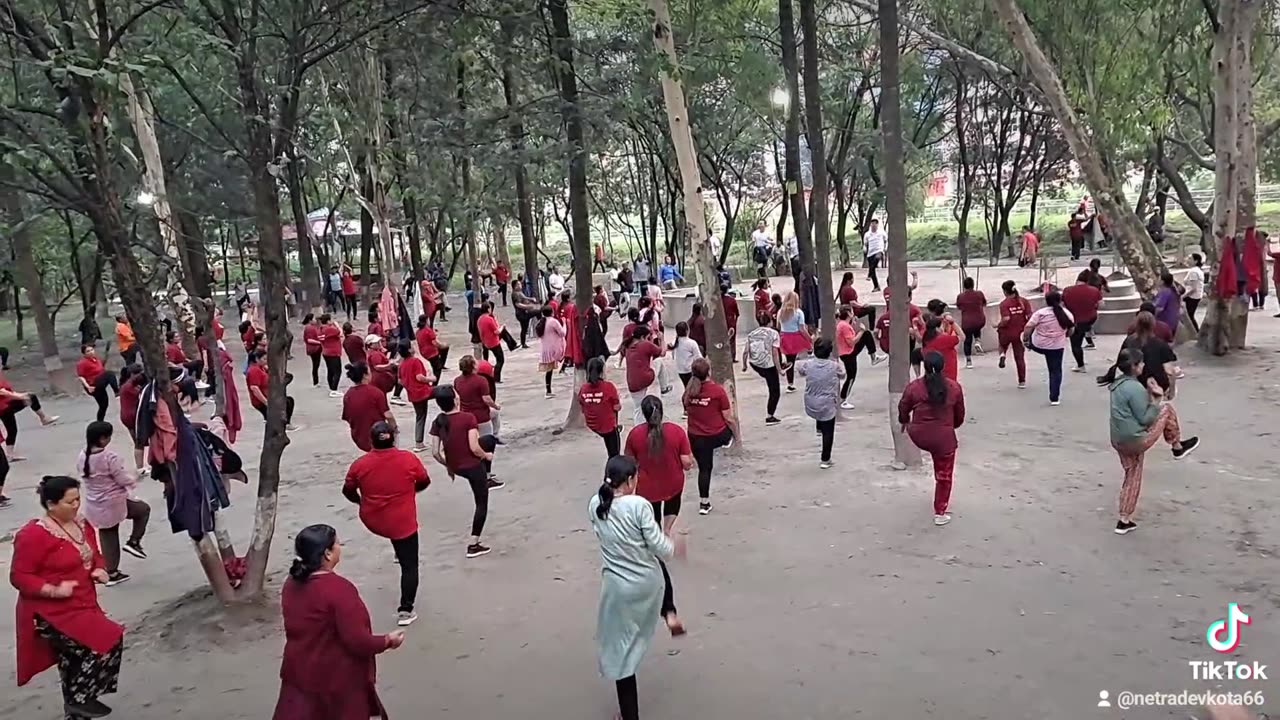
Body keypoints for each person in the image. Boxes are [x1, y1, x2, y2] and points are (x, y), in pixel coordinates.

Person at [11, 475, 125, 719]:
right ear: (52, 504)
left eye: (78, 499)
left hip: (83, 602)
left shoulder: (82, 524)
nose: (76, 505)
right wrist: (52, 589)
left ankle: (77, 709)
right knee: (104, 642)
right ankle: (80, 699)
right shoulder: (33, 534)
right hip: (50, 611)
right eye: (69, 502)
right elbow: (19, 576)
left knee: (72, 662)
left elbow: (95, 554)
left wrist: (100, 569)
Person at [273, 524, 404, 720]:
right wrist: (387, 640)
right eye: (337, 544)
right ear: (327, 553)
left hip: (299, 673)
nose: (340, 547)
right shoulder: (339, 590)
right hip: (336, 678)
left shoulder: (291, 584)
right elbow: (358, 641)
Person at [589, 454, 685, 720]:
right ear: (630, 480)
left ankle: (629, 715)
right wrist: (674, 544)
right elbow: (660, 549)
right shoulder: (639, 505)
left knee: (622, 654)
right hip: (647, 583)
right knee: (659, 569)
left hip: (618, 587)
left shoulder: (595, 504)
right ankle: (669, 612)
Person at [343, 422, 430, 626]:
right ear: (394, 438)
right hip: (402, 522)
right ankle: (405, 610)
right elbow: (425, 481)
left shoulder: (360, 465)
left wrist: (361, 502)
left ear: (371, 441)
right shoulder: (408, 459)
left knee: (397, 537)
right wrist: (410, 491)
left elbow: (347, 490)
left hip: (373, 519)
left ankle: (398, 554)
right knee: (410, 565)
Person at [1108, 348, 1200, 535]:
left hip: (1119, 439)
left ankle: (1124, 519)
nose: (1143, 365)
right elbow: (1146, 418)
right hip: (1135, 438)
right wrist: (1156, 398)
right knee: (1166, 409)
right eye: (1141, 363)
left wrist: (1149, 397)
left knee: (1132, 475)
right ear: (1134, 367)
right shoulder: (1134, 388)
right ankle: (1176, 445)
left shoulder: (1117, 384)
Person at [77, 421, 150, 585]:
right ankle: (134, 541)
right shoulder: (109, 457)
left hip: (95, 503)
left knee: (107, 533)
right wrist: (136, 478)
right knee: (143, 510)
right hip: (113, 501)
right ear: (102, 439)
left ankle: (111, 571)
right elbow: (122, 479)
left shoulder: (83, 456)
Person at [898, 352, 967, 526]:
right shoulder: (954, 388)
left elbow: (903, 406)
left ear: (924, 366)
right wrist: (950, 427)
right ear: (943, 367)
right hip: (943, 438)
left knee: (937, 449)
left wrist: (904, 421)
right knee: (944, 474)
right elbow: (959, 417)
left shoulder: (914, 387)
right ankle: (940, 511)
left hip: (919, 434)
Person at [430, 387, 496, 558]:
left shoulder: (438, 421)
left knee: (489, 440)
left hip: (456, 466)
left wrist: (448, 465)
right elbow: (474, 448)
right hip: (472, 465)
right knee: (481, 503)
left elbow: (435, 452)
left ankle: (488, 470)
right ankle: (474, 544)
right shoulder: (467, 418)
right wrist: (486, 456)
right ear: (455, 400)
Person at [624, 396, 692, 537]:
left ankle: (655, 535)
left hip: (647, 486)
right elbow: (686, 463)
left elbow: (629, 462)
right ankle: (666, 530)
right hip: (673, 482)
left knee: (652, 514)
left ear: (643, 413)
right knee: (672, 505)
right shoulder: (677, 431)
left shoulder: (634, 435)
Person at [682, 358, 736, 515]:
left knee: (704, 469)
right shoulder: (718, 391)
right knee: (728, 431)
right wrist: (736, 433)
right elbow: (728, 417)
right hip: (715, 435)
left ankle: (704, 503)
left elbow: (686, 408)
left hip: (695, 436)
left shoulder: (688, 392)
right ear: (709, 372)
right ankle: (727, 442)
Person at [797, 339, 843, 469]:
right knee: (829, 430)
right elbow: (843, 375)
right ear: (829, 352)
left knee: (820, 409)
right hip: (827, 404)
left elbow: (800, 371)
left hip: (810, 403)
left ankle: (818, 427)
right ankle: (825, 459)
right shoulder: (834, 366)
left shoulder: (808, 364)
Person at [1023, 289, 1074, 406]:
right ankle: (1054, 397)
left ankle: (1029, 346)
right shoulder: (1067, 314)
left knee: (1030, 338)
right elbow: (1071, 330)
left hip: (1039, 345)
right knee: (1056, 370)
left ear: (1046, 301)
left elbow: (1028, 327)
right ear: (1060, 300)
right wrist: (1064, 335)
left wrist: (1026, 340)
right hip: (1057, 346)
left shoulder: (1040, 313)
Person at [0, 371, 58, 461]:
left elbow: (8, 391)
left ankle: (44, 418)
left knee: (30, 397)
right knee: (12, 429)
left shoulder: (1, 377)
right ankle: (9, 454)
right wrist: (21, 397)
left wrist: (20, 395)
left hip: (7, 404)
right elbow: (2, 392)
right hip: (3, 407)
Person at [342, 362, 396, 452]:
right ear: (365, 375)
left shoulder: (348, 395)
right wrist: (394, 428)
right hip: (379, 435)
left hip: (359, 436)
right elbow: (388, 415)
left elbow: (348, 417)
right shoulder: (376, 392)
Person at [742, 311, 784, 425]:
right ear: (770, 321)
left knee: (767, 376)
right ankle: (770, 416)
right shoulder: (774, 333)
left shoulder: (751, 334)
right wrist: (779, 369)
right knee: (774, 390)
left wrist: (744, 365)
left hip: (755, 364)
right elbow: (775, 353)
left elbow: (746, 351)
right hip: (768, 365)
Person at [578, 357, 623, 458]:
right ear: (602, 371)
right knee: (614, 454)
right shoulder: (609, 387)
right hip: (607, 426)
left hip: (592, 424)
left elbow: (582, 405)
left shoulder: (583, 388)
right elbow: (617, 407)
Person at [835, 307, 878, 409]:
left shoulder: (843, 324)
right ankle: (843, 399)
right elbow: (852, 342)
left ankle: (873, 356)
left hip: (847, 351)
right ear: (849, 313)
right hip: (848, 353)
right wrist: (861, 331)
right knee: (851, 377)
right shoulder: (844, 326)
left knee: (867, 335)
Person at [1061, 270, 1104, 373]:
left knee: (1076, 344)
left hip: (1075, 320)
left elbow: (1062, 305)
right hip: (1090, 318)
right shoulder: (1094, 290)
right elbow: (1101, 305)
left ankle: (1081, 365)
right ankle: (1088, 332)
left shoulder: (1067, 290)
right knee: (1084, 329)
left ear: (1077, 279)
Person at [624, 325, 666, 425]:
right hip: (646, 378)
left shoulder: (628, 347)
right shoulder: (645, 345)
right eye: (648, 338)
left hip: (632, 383)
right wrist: (661, 339)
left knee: (638, 408)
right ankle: (664, 387)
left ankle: (638, 428)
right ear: (643, 337)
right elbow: (663, 352)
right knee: (659, 361)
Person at [246, 350, 297, 428]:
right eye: (264, 359)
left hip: (269, 395)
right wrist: (266, 402)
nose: (266, 361)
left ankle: (284, 422)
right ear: (257, 359)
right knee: (285, 403)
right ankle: (284, 424)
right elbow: (254, 389)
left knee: (289, 401)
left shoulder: (261, 368)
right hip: (262, 400)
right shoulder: (254, 371)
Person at [996, 281, 1031, 388]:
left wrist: (998, 325)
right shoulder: (1024, 302)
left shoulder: (1004, 304)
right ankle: (1022, 381)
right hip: (1020, 332)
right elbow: (1030, 317)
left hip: (1007, 332)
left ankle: (1002, 354)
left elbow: (1006, 319)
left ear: (1005, 291)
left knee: (1002, 343)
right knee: (1019, 357)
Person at [777, 291, 812, 393]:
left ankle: (790, 383)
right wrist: (809, 338)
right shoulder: (798, 312)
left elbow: (778, 326)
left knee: (790, 360)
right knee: (805, 353)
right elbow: (802, 329)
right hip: (795, 336)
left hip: (784, 336)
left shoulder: (781, 312)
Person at [76, 344, 120, 423]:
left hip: (100, 384)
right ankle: (117, 392)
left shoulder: (96, 360)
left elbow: (101, 371)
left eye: (92, 350)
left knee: (104, 405)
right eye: (88, 351)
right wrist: (88, 386)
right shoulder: (82, 363)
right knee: (109, 374)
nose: (91, 352)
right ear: (84, 354)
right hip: (92, 385)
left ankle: (100, 422)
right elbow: (81, 377)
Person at [476, 301, 516, 383]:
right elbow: (497, 331)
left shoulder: (480, 319)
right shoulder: (489, 319)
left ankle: (512, 344)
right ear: (488, 309)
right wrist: (502, 327)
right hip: (493, 341)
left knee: (504, 333)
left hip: (486, 340)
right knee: (500, 360)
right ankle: (496, 377)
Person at [954, 277, 987, 368]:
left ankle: (969, 362)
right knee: (977, 328)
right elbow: (984, 303)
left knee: (967, 340)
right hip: (980, 320)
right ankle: (977, 341)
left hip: (967, 322)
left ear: (964, 286)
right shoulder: (979, 294)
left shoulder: (960, 296)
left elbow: (959, 307)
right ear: (973, 285)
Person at [536, 306, 566, 399]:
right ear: (552, 312)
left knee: (549, 371)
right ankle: (548, 391)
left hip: (546, 350)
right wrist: (565, 324)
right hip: (554, 349)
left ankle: (548, 390)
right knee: (550, 370)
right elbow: (562, 333)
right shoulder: (553, 321)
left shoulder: (542, 322)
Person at [920, 314, 960, 382]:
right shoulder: (944, 339)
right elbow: (961, 336)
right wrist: (952, 323)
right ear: (937, 328)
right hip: (948, 375)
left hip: (931, 377)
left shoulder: (926, 340)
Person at [415, 314, 449, 382]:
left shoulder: (418, 332)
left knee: (443, 350)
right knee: (437, 369)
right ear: (427, 321)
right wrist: (443, 345)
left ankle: (441, 364)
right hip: (431, 352)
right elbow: (435, 343)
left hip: (423, 352)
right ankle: (435, 383)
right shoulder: (428, 330)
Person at [670, 321, 703, 389]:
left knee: (687, 387)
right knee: (693, 388)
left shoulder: (676, 342)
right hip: (689, 370)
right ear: (687, 331)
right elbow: (699, 357)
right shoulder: (691, 343)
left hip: (680, 370)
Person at [511, 281, 540, 348]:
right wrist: (528, 306)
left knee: (524, 328)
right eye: (518, 284)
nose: (520, 285)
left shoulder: (519, 292)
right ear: (515, 286)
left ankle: (523, 343)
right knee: (537, 311)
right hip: (521, 314)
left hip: (524, 312)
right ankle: (541, 323)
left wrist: (531, 299)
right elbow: (518, 304)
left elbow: (524, 297)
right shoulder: (515, 294)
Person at [863, 218, 887, 291]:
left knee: (877, 258)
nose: (873, 226)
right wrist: (864, 248)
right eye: (872, 224)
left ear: (877, 225)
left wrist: (885, 248)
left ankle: (869, 274)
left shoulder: (882, 233)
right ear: (871, 225)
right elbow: (865, 243)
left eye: (875, 224)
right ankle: (876, 286)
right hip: (870, 253)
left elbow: (886, 240)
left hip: (879, 251)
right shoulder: (867, 234)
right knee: (873, 270)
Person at [1184, 252, 1206, 329]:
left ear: (1195, 261)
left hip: (1192, 297)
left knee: (1189, 316)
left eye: (1190, 258)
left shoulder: (1194, 272)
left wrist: (1183, 296)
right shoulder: (1197, 270)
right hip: (1195, 296)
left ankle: (1195, 331)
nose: (1188, 260)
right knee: (1190, 315)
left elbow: (1193, 288)